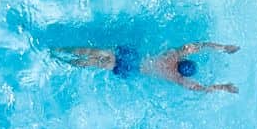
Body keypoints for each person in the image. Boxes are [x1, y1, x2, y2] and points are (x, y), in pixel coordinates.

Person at [53, 41, 238, 94]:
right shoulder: (177, 78)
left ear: (184, 61)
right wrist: (223, 87)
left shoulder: (175, 55)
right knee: (98, 63)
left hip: (133, 57)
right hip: (132, 70)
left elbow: (199, 45)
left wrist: (223, 48)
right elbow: (201, 88)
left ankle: (61, 49)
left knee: (96, 52)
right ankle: (64, 61)